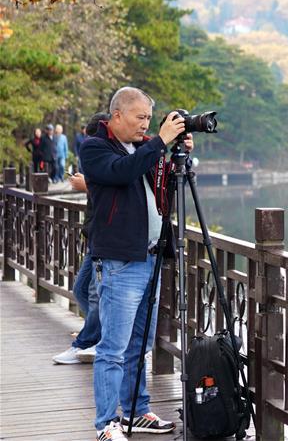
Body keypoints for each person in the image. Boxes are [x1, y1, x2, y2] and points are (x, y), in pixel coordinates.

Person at [81, 87, 191, 441]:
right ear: (117, 116)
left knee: (139, 344)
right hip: (120, 262)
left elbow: (166, 188)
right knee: (113, 348)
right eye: (140, 117)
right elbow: (123, 173)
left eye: (149, 118)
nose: (145, 124)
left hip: (151, 257)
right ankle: (106, 424)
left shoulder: (145, 150)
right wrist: (158, 141)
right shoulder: (95, 148)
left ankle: (137, 410)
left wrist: (177, 154)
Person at [51, 113, 109, 365]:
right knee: (81, 290)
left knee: (95, 294)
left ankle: (86, 342)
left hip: (106, 238)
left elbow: (118, 188)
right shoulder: (98, 155)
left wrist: (87, 185)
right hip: (94, 235)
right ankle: (96, 334)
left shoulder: (111, 154)